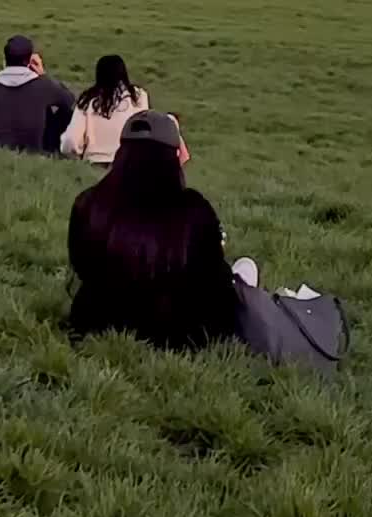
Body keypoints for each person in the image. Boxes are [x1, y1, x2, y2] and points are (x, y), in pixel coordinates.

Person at [67, 110, 347, 372]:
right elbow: (217, 288)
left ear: (122, 152)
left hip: (97, 321)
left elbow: (80, 265)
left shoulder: (89, 204)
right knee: (245, 268)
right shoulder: (192, 211)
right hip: (179, 334)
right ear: (174, 156)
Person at [0, 35, 74, 154]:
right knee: (62, 112)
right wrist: (42, 74)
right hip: (34, 148)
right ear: (29, 60)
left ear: (5, 59)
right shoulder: (44, 86)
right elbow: (69, 100)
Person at [61, 54, 149, 167]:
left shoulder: (88, 101)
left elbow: (71, 140)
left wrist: (73, 157)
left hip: (94, 165)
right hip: (129, 165)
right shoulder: (138, 98)